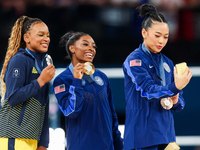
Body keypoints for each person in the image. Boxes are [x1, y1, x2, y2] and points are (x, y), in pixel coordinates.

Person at [122, 4, 192, 150]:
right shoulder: (134, 60)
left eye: (166, 37)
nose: (162, 41)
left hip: (166, 137)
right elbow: (147, 90)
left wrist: (176, 99)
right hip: (142, 138)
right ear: (144, 33)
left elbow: (180, 103)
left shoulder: (167, 62)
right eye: (157, 35)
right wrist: (175, 87)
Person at [53, 31, 123, 150]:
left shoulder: (101, 76)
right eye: (85, 44)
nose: (91, 49)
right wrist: (76, 81)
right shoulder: (62, 80)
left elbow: (112, 114)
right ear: (72, 48)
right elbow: (71, 112)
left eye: (94, 46)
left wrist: (119, 144)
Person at [0, 16, 56, 150]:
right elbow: (13, 98)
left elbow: (44, 106)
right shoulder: (19, 60)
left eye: (48, 35)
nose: (46, 39)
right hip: (13, 136)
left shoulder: (42, 64)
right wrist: (41, 81)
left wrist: (43, 143)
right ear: (27, 38)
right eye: (41, 35)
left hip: (32, 139)